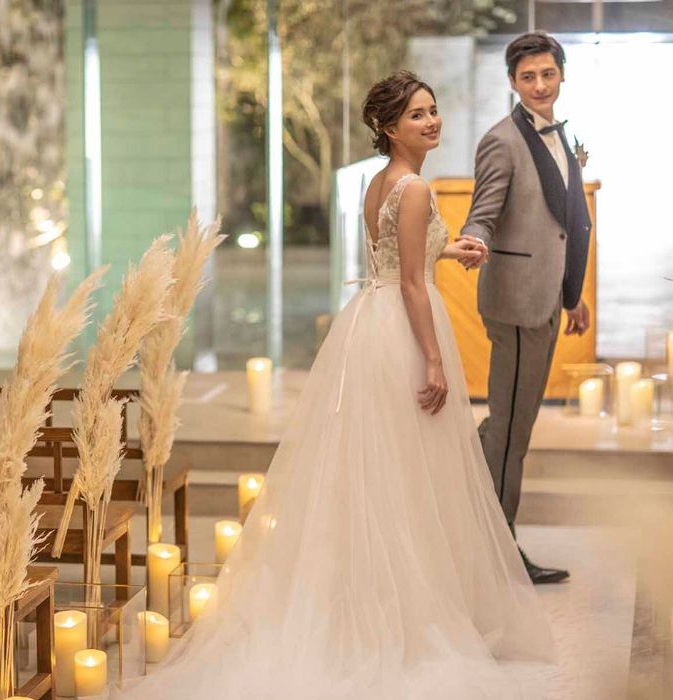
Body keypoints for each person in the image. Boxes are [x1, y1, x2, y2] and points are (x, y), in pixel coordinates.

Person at [115, 71, 555, 700]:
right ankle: (404, 616)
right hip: (404, 330)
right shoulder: (413, 187)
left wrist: (449, 250)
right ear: (388, 127)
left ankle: (378, 600)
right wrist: (434, 360)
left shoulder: (381, 182)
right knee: (410, 472)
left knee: (383, 470)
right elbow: (409, 282)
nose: (431, 121)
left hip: (371, 324)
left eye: (432, 110)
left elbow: (398, 259)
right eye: (416, 115)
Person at [461, 32, 591, 585]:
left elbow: (564, 222)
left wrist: (571, 294)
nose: (540, 85)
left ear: (561, 75)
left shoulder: (563, 134)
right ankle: (496, 550)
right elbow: (484, 211)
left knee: (513, 424)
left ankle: (471, 509)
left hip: (544, 297)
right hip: (515, 303)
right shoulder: (501, 140)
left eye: (548, 74)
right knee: (511, 430)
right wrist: (474, 239)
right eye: (528, 77)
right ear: (512, 82)